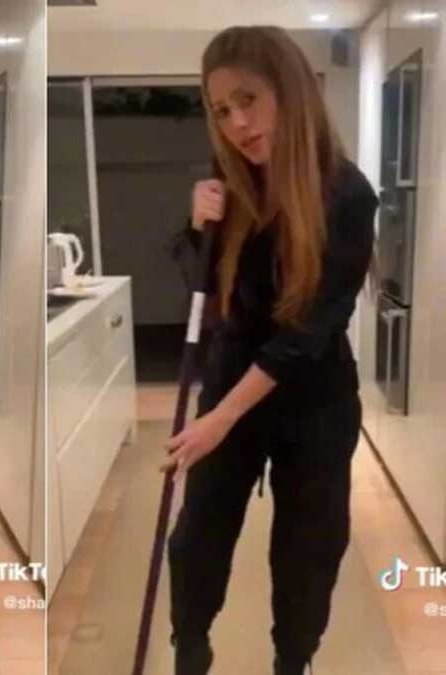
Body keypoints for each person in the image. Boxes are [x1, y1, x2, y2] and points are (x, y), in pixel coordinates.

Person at [163, 26, 378, 675]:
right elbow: (205, 294)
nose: (237, 123)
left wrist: (222, 417)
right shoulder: (229, 185)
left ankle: (292, 661)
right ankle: (190, 649)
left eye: (248, 99)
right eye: (221, 109)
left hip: (314, 399)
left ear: (289, 91)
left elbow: (308, 332)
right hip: (232, 374)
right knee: (196, 538)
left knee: (308, 551)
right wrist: (197, 229)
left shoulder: (346, 194)